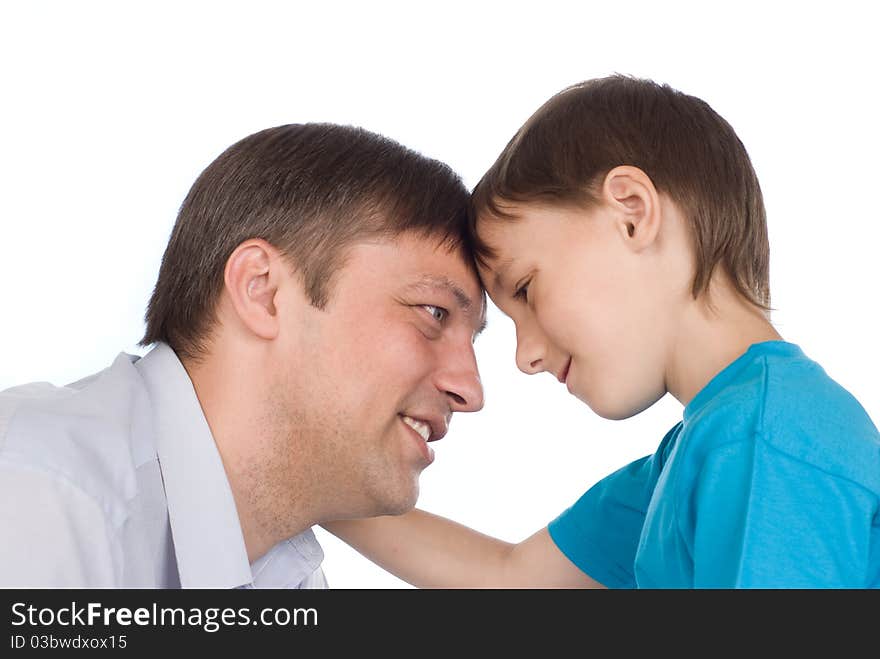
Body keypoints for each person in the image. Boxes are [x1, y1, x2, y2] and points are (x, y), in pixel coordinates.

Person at [323, 75, 880, 588]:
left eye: (526, 290)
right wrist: (307, 475)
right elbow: (510, 581)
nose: (525, 357)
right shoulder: (696, 455)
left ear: (631, 213)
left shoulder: (766, 443)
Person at [0, 123, 486, 588]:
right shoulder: (38, 497)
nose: (470, 390)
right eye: (434, 313)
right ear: (263, 291)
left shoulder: (283, 568)